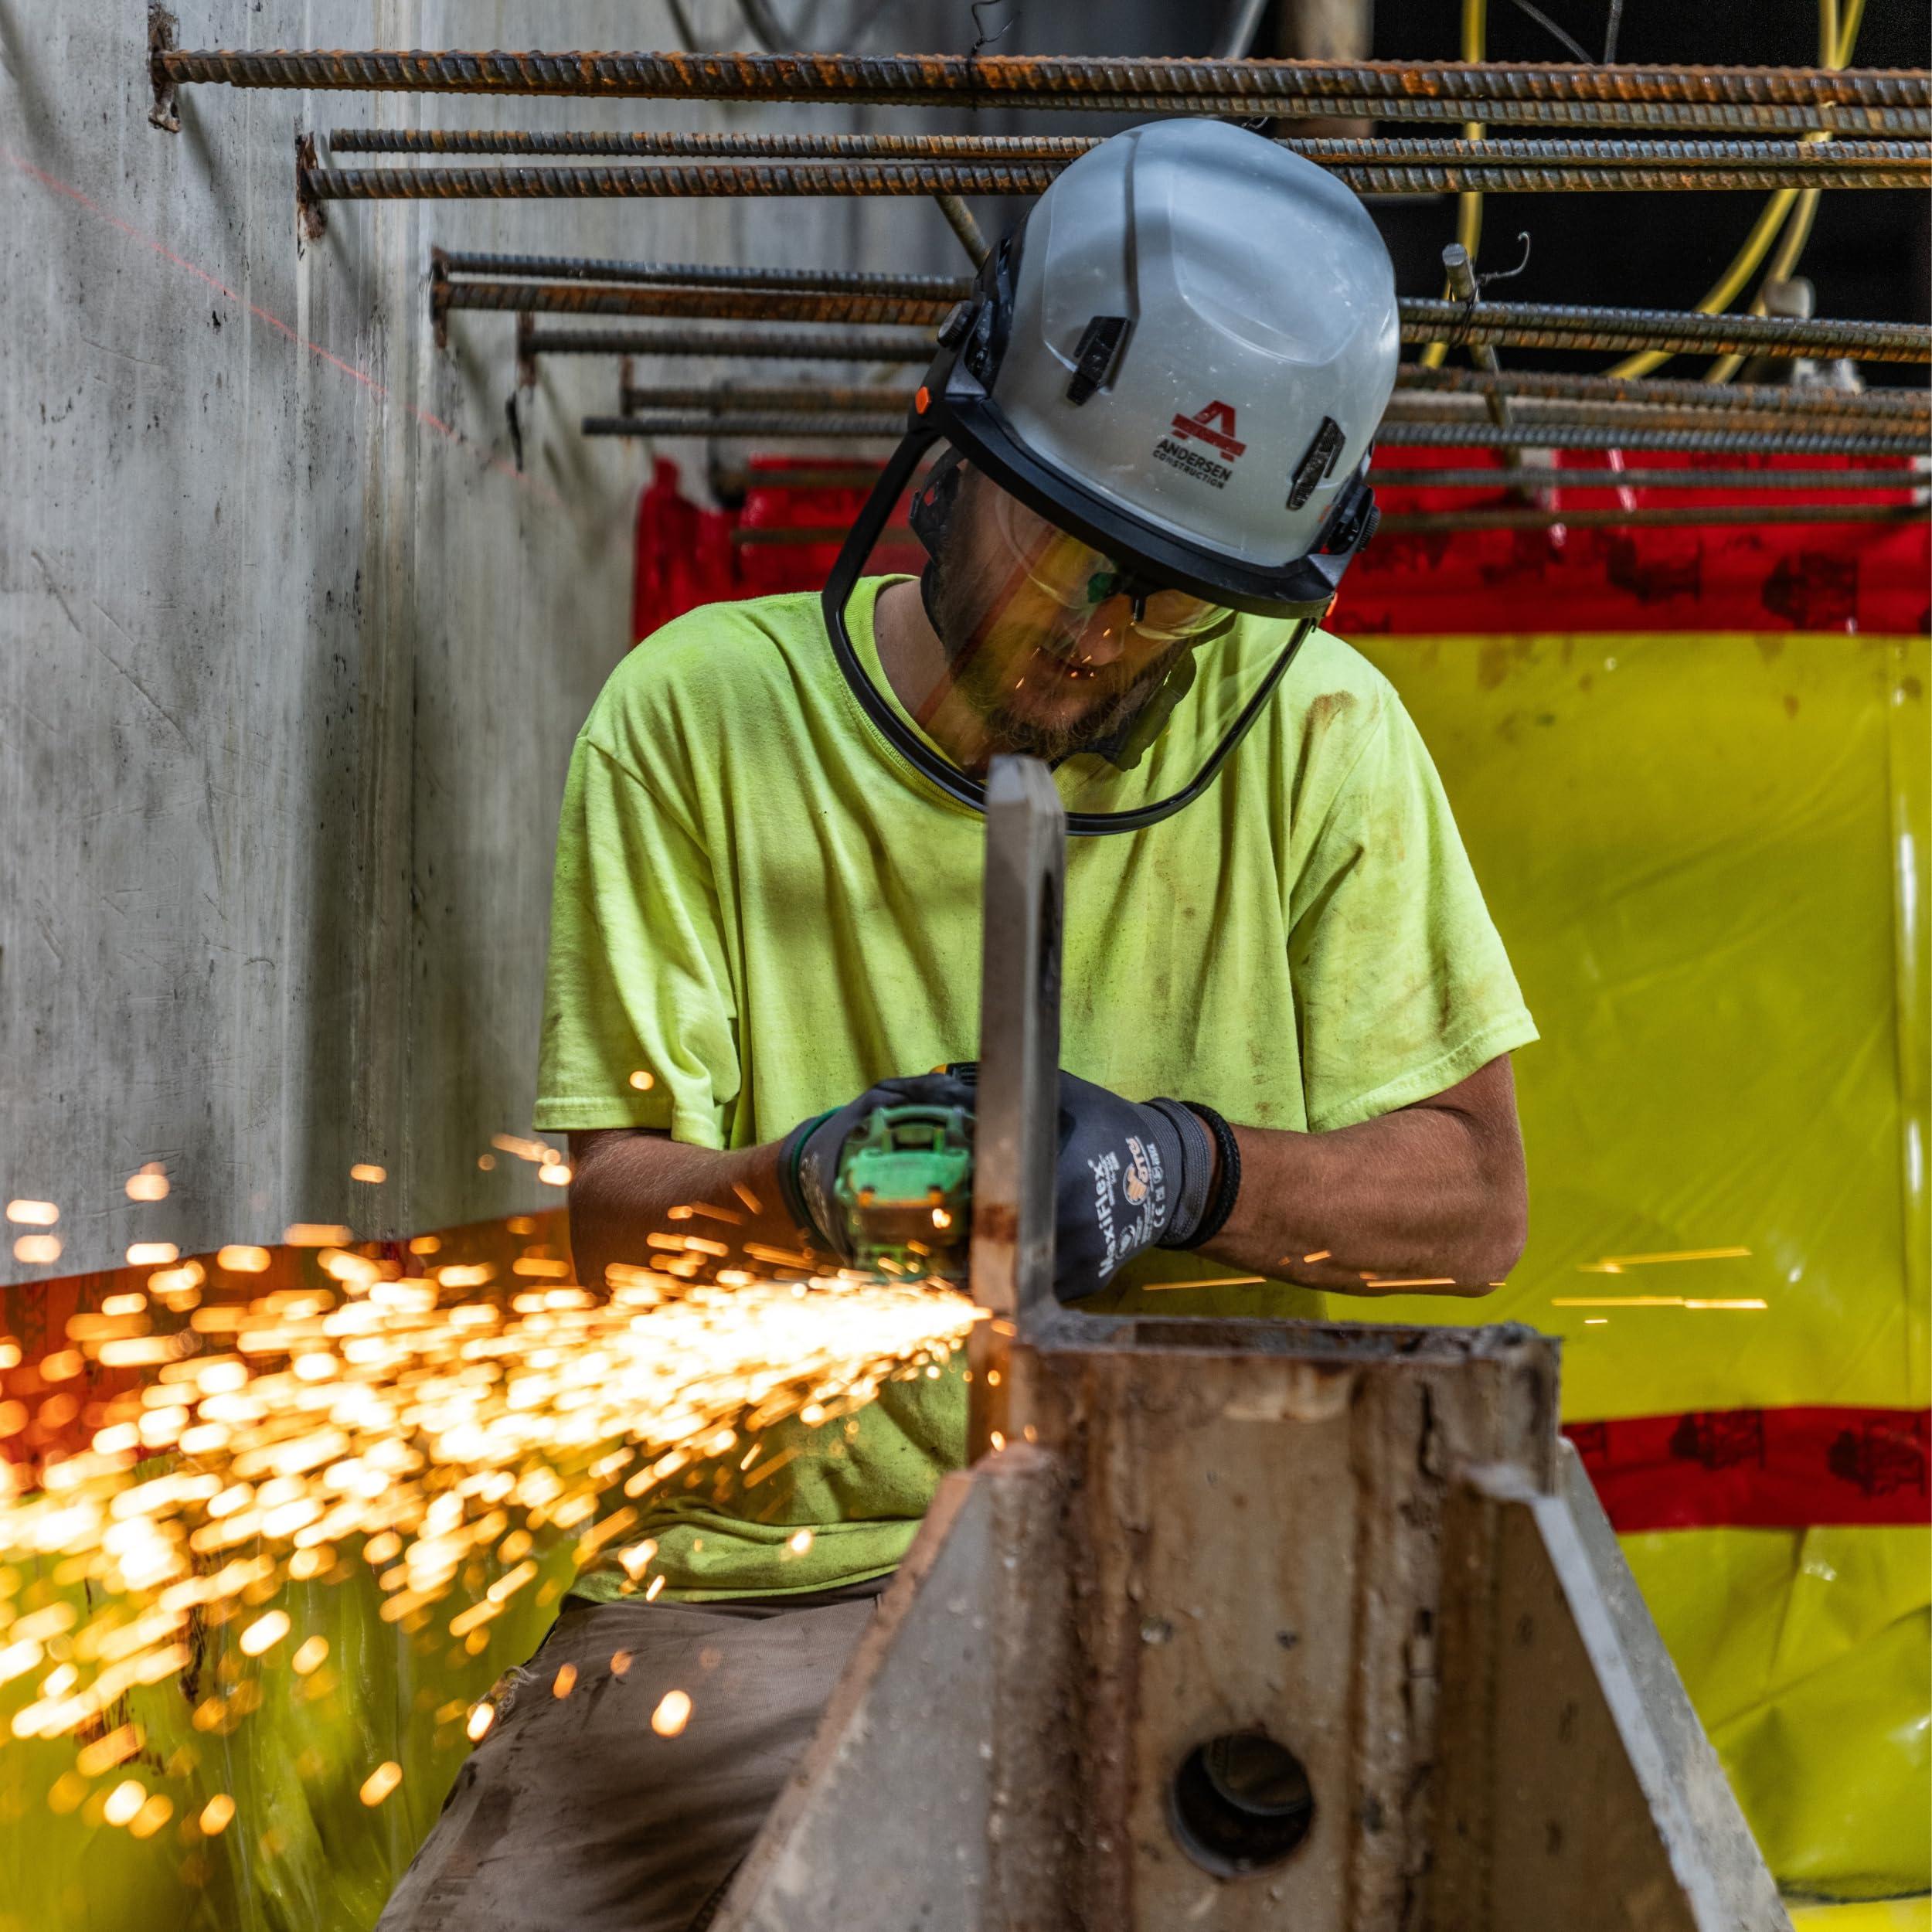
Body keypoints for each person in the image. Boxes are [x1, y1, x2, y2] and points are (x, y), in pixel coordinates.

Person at [377, 118, 1536, 1932]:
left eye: (1168, 595)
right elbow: (611, 1225)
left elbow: (1471, 1206)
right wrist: (805, 1188)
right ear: (958, 434)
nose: (1092, 634)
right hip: (761, 1586)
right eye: (1064, 545)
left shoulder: (1318, 737)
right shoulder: (696, 718)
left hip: (1187, 1567)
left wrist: (1174, 1168)